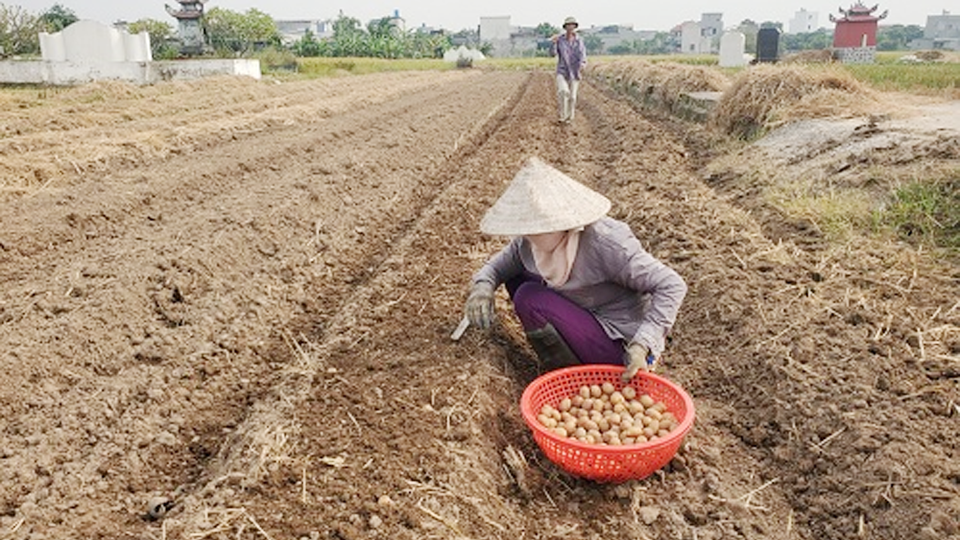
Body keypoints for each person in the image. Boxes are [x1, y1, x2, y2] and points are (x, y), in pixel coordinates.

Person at [464, 157, 687, 382]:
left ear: (560, 224)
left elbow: (671, 285)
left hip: (621, 348)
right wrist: (482, 286)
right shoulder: (529, 243)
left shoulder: (607, 244)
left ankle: (572, 377)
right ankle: (568, 365)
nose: (527, 236)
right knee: (516, 276)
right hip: (584, 318)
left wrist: (643, 344)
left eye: (535, 229)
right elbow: (497, 266)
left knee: (528, 297)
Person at [550, 16, 587, 124]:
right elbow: (552, 54)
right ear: (565, 27)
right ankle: (563, 116)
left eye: (572, 25)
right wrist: (553, 43)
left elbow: (582, 54)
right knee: (563, 91)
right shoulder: (560, 40)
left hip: (575, 71)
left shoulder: (579, 41)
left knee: (573, 97)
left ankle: (570, 118)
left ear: (575, 27)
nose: (570, 27)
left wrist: (583, 64)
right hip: (562, 70)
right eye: (568, 25)